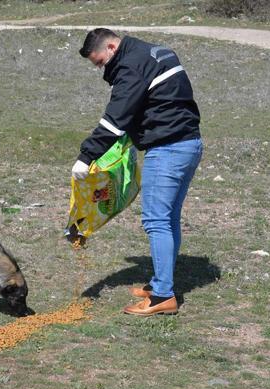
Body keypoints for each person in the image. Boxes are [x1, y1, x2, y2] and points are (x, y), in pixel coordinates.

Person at [73, 28, 203, 316]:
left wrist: (85, 157)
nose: (101, 69)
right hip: (189, 143)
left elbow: (116, 118)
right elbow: (154, 104)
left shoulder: (131, 65)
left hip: (168, 149)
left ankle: (162, 297)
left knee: (156, 220)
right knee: (168, 219)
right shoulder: (154, 52)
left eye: (100, 62)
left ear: (111, 46)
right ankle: (161, 282)